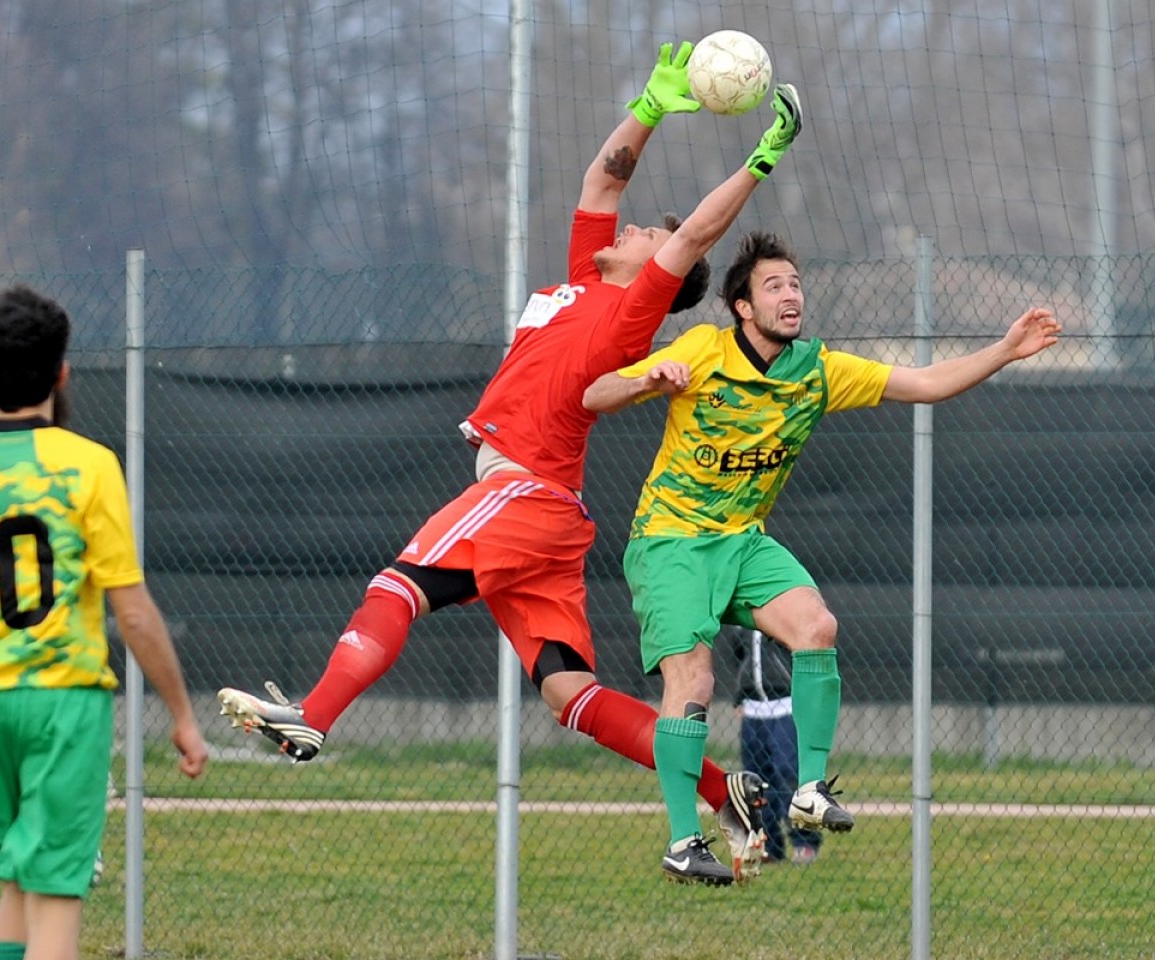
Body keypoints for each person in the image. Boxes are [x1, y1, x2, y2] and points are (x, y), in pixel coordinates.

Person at [216, 43, 804, 887]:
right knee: (571, 696)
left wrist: (758, 160)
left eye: (652, 234)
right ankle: (725, 792)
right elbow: (603, 181)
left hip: (522, 489)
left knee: (399, 585)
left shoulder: (634, 308)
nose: (636, 225)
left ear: (661, 274)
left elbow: (700, 232)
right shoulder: (580, 281)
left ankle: (313, 716)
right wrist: (652, 105)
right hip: (545, 513)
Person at [583, 230, 1060, 844]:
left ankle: (808, 793)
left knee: (817, 627)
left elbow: (924, 384)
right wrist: (649, 381)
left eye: (796, 284)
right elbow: (596, 393)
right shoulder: (703, 349)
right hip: (670, 541)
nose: (791, 295)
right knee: (694, 680)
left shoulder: (817, 370)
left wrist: (1003, 350)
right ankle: (683, 840)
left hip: (742, 542)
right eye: (773, 286)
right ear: (743, 308)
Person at [0, 285, 209, 960]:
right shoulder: (88, 467)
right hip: (61, 706)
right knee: (55, 901)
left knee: (21, 883)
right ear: (61, 373)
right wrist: (183, 715)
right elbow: (131, 611)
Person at [731, 627, 821, 864]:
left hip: (786, 705)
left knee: (788, 772)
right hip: (753, 709)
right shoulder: (740, 622)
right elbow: (740, 656)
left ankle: (805, 842)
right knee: (755, 780)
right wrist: (740, 696)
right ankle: (769, 845)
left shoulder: (785, 612)